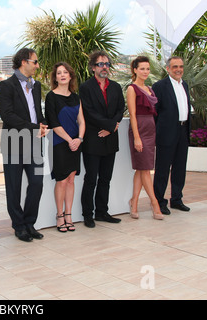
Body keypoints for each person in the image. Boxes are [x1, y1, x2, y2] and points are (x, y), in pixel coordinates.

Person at [0, 48, 49, 242]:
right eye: (35, 62)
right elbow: (8, 116)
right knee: (14, 187)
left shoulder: (35, 86)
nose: (37, 65)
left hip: (34, 142)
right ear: (24, 62)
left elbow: (36, 112)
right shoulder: (7, 85)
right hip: (13, 142)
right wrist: (34, 127)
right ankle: (18, 226)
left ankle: (29, 223)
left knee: (37, 184)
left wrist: (43, 124)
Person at [79, 50, 125, 228]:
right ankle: (87, 215)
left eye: (107, 64)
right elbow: (89, 112)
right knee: (91, 179)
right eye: (100, 64)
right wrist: (109, 126)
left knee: (106, 178)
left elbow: (121, 109)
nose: (104, 67)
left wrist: (111, 127)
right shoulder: (86, 87)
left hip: (110, 139)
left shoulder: (115, 87)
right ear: (93, 68)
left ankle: (101, 212)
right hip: (93, 139)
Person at [45, 62, 85, 232]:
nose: (62, 75)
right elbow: (54, 124)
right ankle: (59, 215)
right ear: (55, 77)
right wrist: (70, 140)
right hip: (61, 143)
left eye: (65, 72)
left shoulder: (76, 97)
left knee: (71, 179)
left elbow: (82, 121)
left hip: (76, 143)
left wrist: (80, 139)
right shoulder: (51, 97)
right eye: (59, 73)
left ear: (70, 76)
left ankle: (69, 215)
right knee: (61, 180)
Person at [152, 56, 192, 215]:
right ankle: (159, 201)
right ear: (168, 68)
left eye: (181, 66)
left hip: (183, 130)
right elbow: (155, 112)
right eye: (175, 66)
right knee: (162, 169)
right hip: (166, 132)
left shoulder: (185, 85)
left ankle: (176, 199)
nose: (178, 69)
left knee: (180, 168)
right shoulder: (160, 86)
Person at [127, 56, 164, 220]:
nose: (145, 72)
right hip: (139, 129)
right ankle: (154, 203)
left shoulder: (150, 88)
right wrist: (136, 137)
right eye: (142, 68)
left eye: (147, 69)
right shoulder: (132, 89)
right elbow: (132, 115)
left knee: (141, 169)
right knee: (145, 169)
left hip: (151, 129)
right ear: (135, 70)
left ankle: (134, 202)